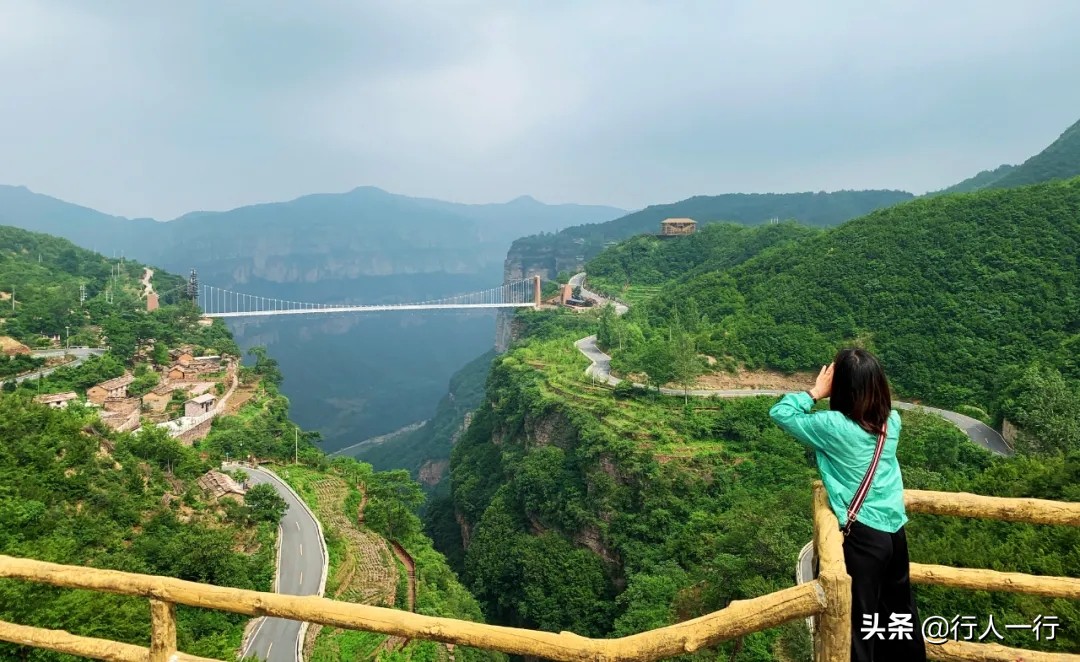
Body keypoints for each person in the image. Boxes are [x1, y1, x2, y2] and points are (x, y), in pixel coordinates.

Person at [769, 348, 926, 662]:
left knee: (858, 625)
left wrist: (816, 391)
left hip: (864, 536)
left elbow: (781, 413)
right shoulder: (891, 423)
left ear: (841, 388)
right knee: (899, 615)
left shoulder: (832, 426)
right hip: (895, 533)